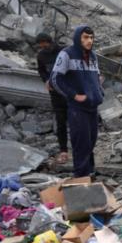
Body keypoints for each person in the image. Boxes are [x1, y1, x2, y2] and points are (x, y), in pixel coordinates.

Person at [50, 25, 104, 178]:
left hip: (93, 106)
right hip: (77, 108)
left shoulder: (93, 56)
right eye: (85, 37)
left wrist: (99, 92)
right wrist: (74, 96)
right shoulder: (66, 54)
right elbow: (56, 79)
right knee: (81, 142)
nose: (89, 41)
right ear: (78, 38)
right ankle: (81, 176)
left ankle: (90, 172)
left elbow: (96, 77)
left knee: (91, 140)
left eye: (91, 37)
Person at [35, 32, 69, 164]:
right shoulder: (41, 56)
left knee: (76, 121)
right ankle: (64, 151)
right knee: (60, 122)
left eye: (46, 45)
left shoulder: (64, 51)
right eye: (42, 46)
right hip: (55, 93)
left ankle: (81, 149)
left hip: (70, 92)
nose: (44, 48)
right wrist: (46, 80)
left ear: (50, 41)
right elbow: (41, 70)